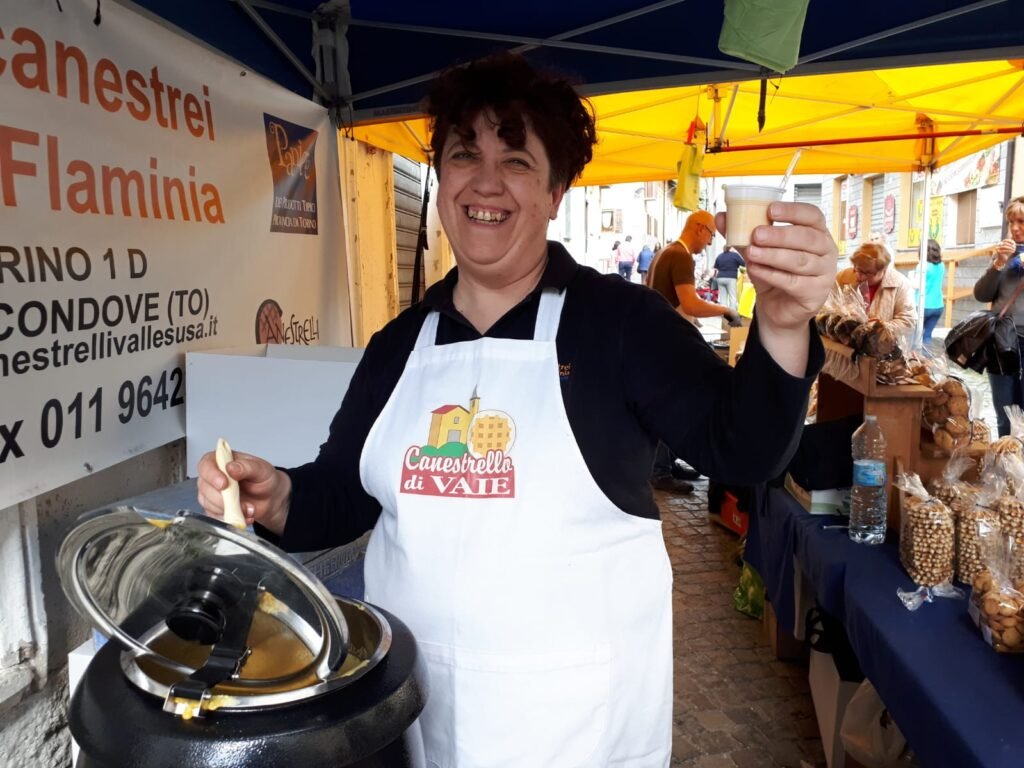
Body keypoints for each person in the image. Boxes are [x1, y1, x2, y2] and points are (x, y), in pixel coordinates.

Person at [196, 52, 837, 767]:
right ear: (441, 178)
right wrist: (279, 495)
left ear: (557, 190)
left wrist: (783, 324)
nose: (486, 181)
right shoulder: (399, 345)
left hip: (578, 732)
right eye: (464, 154)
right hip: (416, 722)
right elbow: (346, 493)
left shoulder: (621, 325)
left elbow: (744, 450)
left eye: (517, 160)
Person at [823, 241, 916, 383]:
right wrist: (841, 320)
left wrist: (879, 329)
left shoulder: (900, 285)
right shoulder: (843, 277)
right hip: (842, 354)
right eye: (857, 269)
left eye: (867, 273)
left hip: (881, 360)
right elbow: (825, 307)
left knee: (867, 393)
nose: (860, 276)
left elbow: (908, 320)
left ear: (883, 269)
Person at [973, 196, 1024, 436]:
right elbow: (981, 294)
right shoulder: (1003, 254)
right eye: (1011, 222)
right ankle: (1006, 454)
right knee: (1004, 412)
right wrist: (998, 264)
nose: (1015, 228)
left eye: (1021, 222)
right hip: (1002, 341)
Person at [649, 210, 743, 327]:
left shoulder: (664, 251)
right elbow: (691, 306)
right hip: (665, 328)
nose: (710, 243)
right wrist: (727, 310)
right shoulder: (681, 255)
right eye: (712, 235)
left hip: (654, 324)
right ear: (701, 229)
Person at [921, 238, 946, 345]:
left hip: (922, 305)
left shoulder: (922, 266)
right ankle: (927, 355)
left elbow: (915, 285)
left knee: (915, 336)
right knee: (927, 336)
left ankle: (914, 355)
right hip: (938, 305)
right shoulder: (942, 266)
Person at [712, 244, 745, 310]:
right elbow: (743, 263)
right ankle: (732, 312)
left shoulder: (719, 256)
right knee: (732, 296)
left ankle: (724, 312)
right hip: (731, 277)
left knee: (723, 297)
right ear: (730, 248)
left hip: (720, 277)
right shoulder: (735, 255)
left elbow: (716, 267)